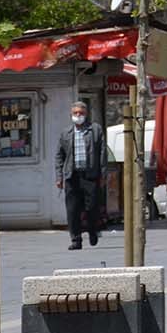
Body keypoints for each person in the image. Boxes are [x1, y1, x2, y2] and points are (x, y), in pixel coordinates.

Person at [55, 100, 108, 251]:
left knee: (92, 207)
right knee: (72, 210)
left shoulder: (95, 130)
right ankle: (76, 239)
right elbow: (59, 156)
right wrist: (59, 177)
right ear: (71, 115)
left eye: (81, 113)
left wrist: (103, 174)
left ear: (86, 114)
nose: (78, 115)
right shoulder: (66, 133)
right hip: (72, 176)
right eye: (75, 113)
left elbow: (102, 153)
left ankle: (92, 230)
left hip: (90, 175)